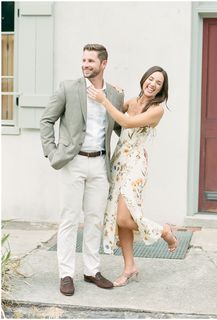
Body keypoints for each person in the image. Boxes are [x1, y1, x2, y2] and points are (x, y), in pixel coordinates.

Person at [40, 44, 124, 295]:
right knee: (69, 219)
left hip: (100, 163)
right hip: (73, 162)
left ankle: (91, 270)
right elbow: (46, 120)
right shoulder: (68, 88)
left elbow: (122, 126)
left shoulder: (115, 95)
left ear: (104, 63)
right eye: (84, 60)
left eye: (91, 61)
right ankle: (66, 274)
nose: (85, 64)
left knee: (94, 220)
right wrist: (52, 152)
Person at [87, 65, 178, 287]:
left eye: (158, 83)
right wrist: (113, 94)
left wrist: (104, 100)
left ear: (161, 89)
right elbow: (116, 115)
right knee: (122, 220)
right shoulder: (131, 102)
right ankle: (129, 267)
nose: (153, 84)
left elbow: (126, 122)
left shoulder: (157, 110)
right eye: (151, 79)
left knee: (124, 218)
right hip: (118, 161)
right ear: (144, 79)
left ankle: (164, 231)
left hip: (136, 164)